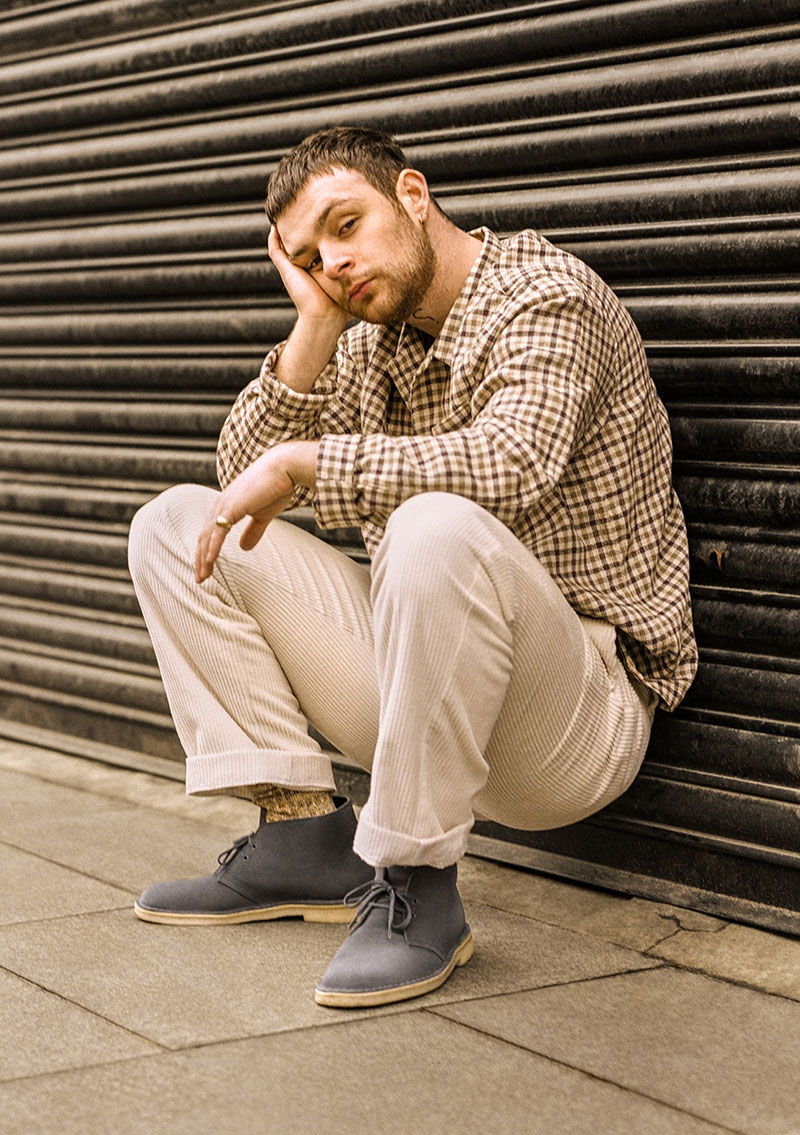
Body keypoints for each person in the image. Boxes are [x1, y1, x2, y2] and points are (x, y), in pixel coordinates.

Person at [128, 125, 697, 1008]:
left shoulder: (547, 296)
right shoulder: (369, 340)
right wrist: (315, 326)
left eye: (346, 225)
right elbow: (239, 480)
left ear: (414, 195)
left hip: (575, 719)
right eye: (311, 259)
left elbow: (513, 461)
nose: (335, 264)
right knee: (175, 525)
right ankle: (302, 838)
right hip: (425, 702)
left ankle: (417, 885)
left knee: (434, 524)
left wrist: (316, 463)